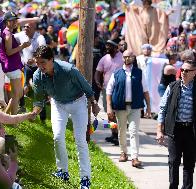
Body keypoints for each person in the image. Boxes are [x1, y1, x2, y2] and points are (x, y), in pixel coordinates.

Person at [32, 45, 100, 189]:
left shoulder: (69, 70)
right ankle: (62, 171)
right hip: (58, 104)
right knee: (57, 137)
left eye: (43, 62)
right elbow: (38, 99)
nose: (40, 66)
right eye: (37, 63)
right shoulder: (37, 75)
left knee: (80, 140)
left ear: (51, 59)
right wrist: (34, 112)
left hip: (78, 103)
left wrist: (93, 103)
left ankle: (85, 178)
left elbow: (86, 87)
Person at [106, 50, 151, 168]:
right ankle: (123, 152)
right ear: (122, 58)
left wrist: (148, 107)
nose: (127, 59)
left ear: (133, 58)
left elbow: (145, 90)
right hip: (120, 107)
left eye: (129, 57)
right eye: (125, 57)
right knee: (121, 131)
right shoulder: (117, 73)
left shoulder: (139, 73)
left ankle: (135, 157)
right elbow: (109, 91)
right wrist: (109, 107)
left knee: (134, 131)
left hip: (135, 107)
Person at [156, 60, 196, 189]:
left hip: (191, 131)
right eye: (182, 70)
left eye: (187, 70)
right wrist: (159, 130)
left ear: (194, 73)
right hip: (175, 130)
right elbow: (162, 109)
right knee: (173, 161)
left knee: (189, 164)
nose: (183, 72)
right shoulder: (172, 86)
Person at [0, 11, 30, 115]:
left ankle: (5, 115)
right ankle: (13, 120)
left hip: (11, 66)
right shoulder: (8, 33)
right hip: (12, 66)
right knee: (17, 94)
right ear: (6, 22)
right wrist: (23, 46)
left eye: (15, 20)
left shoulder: (7, 32)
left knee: (17, 94)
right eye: (11, 21)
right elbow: (9, 52)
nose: (14, 22)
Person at [94, 38, 123, 145]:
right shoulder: (104, 58)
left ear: (116, 48)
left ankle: (120, 135)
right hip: (107, 90)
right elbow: (98, 72)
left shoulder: (123, 58)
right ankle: (114, 134)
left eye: (110, 46)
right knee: (109, 113)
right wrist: (97, 82)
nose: (107, 47)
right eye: (106, 45)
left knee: (119, 113)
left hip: (120, 90)